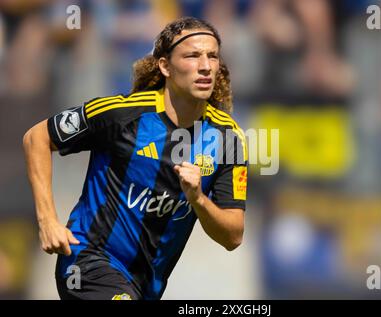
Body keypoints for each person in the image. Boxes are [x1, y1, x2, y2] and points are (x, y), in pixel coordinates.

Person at [23, 16, 248, 300]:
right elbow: (36, 138)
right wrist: (47, 221)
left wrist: (199, 200)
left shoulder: (228, 139)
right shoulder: (123, 115)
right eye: (192, 55)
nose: (205, 66)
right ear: (165, 66)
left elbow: (233, 236)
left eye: (212, 56)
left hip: (144, 286)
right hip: (87, 262)